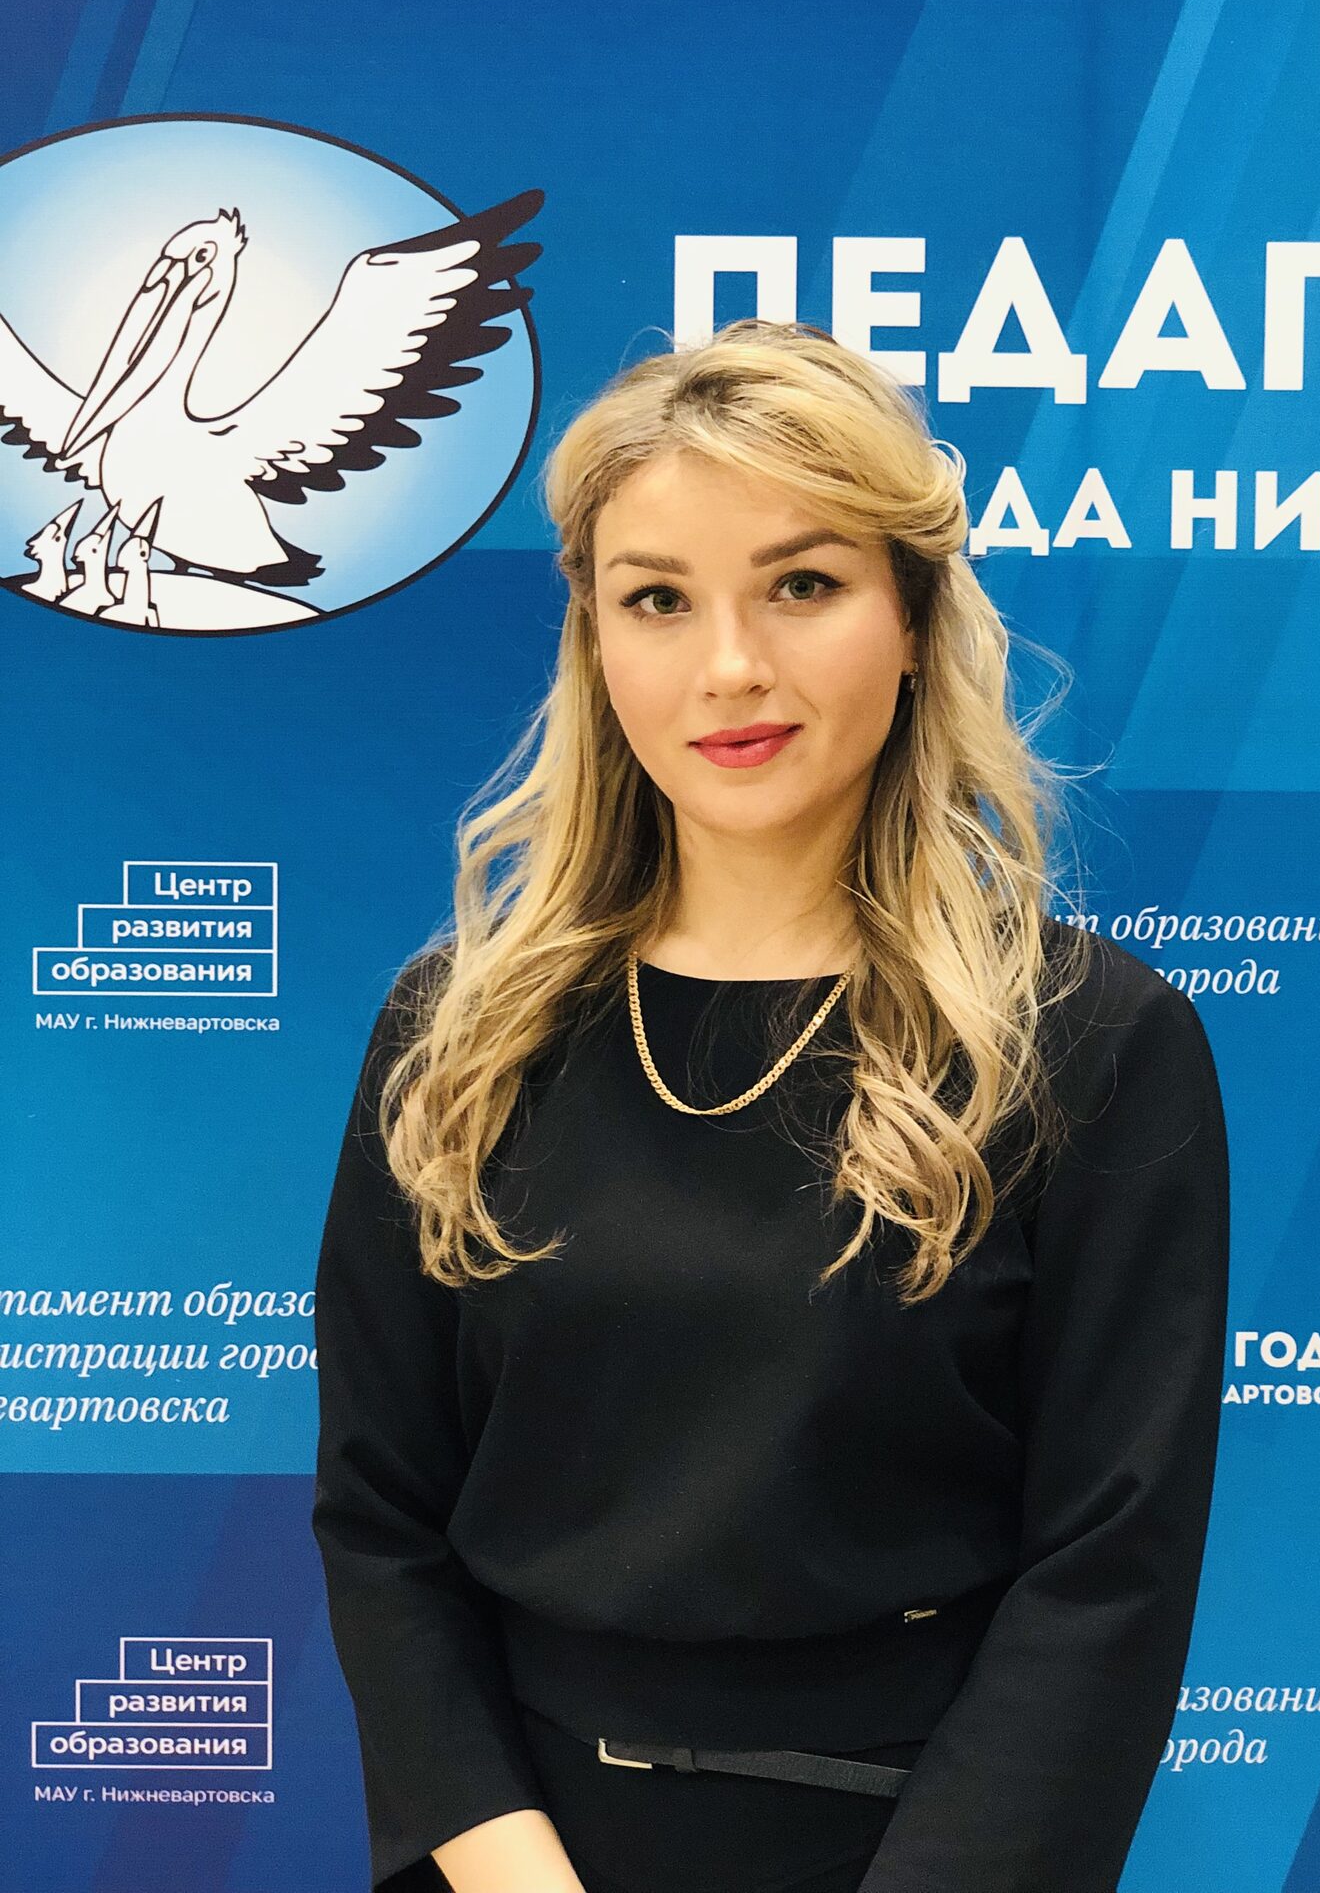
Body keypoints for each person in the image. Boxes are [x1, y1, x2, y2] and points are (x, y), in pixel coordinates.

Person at [311, 319, 1231, 1893]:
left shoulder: (1087, 1041)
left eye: (801, 585)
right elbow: (382, 1522)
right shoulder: (457, 1032)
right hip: (517, 1858)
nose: (729, 666)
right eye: (658, 599)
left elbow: (1108, 1575)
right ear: (596, 643)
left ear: (913, 618)